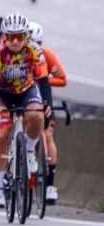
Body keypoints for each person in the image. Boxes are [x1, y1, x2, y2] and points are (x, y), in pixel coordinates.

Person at [0, 13, 51, 209]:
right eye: (11, 36)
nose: (15, 41)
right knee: (2, 135)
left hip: (26, 90)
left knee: (36, 114)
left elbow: (44, 79)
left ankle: (29, 150)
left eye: (19, 36)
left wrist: (47, 101)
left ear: (26, 36)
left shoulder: (34, 49)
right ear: (5, 35)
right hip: (3, 93)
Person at [29, 22, 65, 203]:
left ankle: (50, 184)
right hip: (24, 98)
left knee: (48, 136)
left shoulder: (46, 56)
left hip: (43, 97)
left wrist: (45, 81)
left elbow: (62, 78)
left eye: (38, 44)